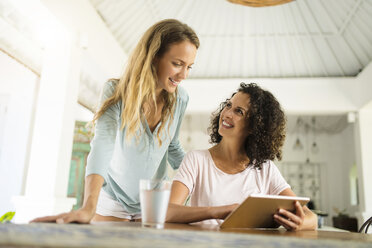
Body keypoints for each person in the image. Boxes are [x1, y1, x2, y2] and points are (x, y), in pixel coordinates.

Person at [31, 19, 199, 223]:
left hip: (153, 201)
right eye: (177, 64)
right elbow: (103, 145)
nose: (183, 75)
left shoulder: (180, 99)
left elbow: (172, 147)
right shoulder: (116, 92)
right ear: (154, 57)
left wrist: (203, 173)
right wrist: (88, 207)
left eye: (189, 67)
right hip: (113, 200)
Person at [166, 83, 317, 231]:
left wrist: (300, 223)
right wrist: (218, 211)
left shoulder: (265, 168)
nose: (227, 114)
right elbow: (168, 212)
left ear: (254, 126)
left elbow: (310, 217)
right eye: (228, 105)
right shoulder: (196, 160)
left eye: (239, 111)